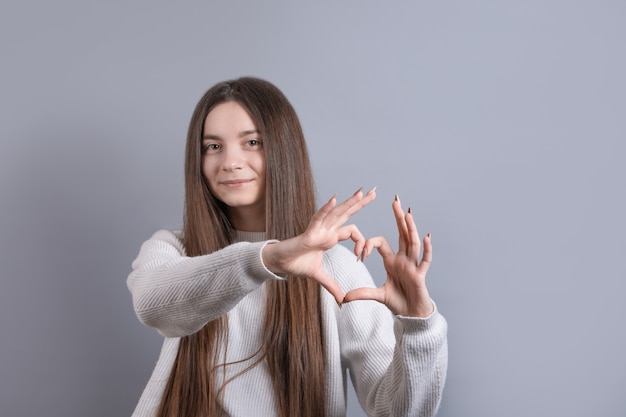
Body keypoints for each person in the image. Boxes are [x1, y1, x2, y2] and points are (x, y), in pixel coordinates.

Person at [127, 77, 447, 417]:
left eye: (251, 142)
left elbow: (396, 411)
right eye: (213, 146)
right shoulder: (173, 249)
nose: (230, 162)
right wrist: (269, 259)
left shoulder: (335, 269)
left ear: (283, 150)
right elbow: (152, 305)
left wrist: (418, 325)